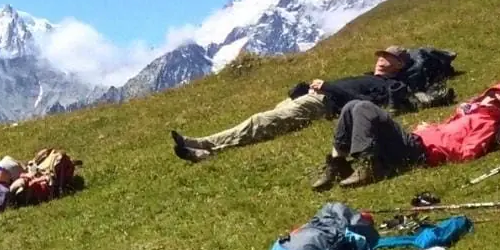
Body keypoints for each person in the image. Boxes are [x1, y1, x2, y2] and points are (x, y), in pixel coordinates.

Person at [171, 47, 417, 162]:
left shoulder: (386, 87)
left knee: (259, 122)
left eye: (390, 58)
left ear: (399, 67)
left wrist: (328, 88)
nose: (382, 60)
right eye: (381, 56)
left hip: (321, 104)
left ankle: (203, 144)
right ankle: (204, 153)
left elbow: (363, 105)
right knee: (266, 121)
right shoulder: (366, 76)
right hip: (310, 96)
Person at [312, 81, 500, 190]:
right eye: (492, 95)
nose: (492, 100)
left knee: (364, 108)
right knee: (352, 105)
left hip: (419, 151)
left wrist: (438, 147)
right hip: (415, 141)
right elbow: (449, 131)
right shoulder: (470, 112)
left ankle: (368, 164)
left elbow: (468, 152)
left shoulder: (486, 122)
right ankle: (337, 163)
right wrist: (430, 128)